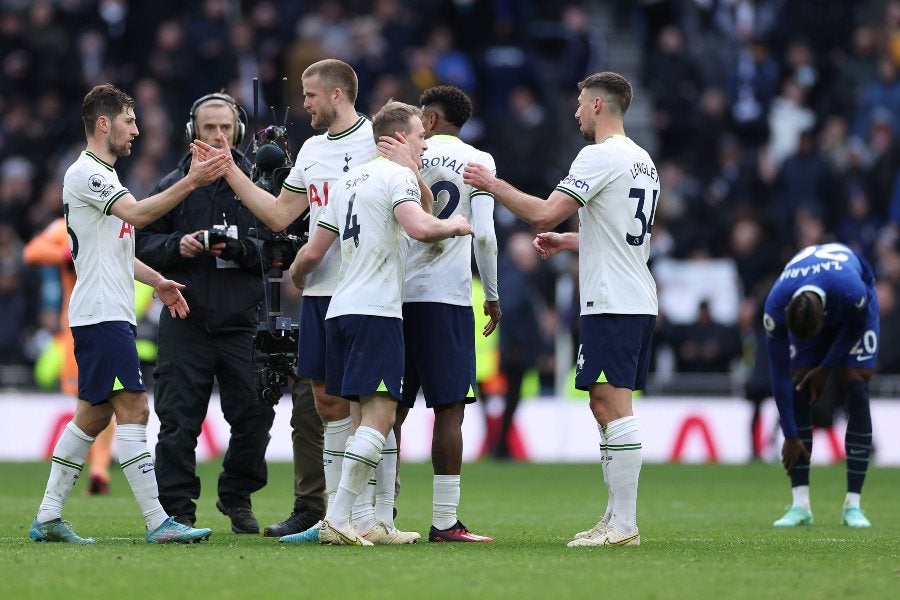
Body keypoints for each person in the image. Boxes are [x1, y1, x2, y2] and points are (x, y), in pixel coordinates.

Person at [464, 71, 659, 547]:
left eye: (578, 102)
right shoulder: (642, 160)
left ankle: (625, 525)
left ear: (597, 105)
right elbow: (627, 237)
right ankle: (616, 519)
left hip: (612, 299)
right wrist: (574, 240)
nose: (574, 112)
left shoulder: (597, 156)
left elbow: (543, 211)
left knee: (612, 406)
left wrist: (492, 184)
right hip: (632, 293)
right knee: (605, 403)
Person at [28, 83, 229, 544]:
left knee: (92, 418)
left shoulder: (104, 176)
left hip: (105, 312)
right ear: (104, 123)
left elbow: (119, 243)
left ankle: (47, 517)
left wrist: (156, 280)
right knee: (135, 407)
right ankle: (158, 521)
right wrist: (193, 180)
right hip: (101, 315)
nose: (136, 131)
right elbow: (138, 216)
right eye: (129, 121)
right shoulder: (87, 174)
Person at [205, 59, 393, 537]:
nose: (303, 103)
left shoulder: (381, 141)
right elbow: (277, 215)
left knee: (378, 404)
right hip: (322, 293)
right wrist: (229, 170)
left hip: (374, 290)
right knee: (328, 404)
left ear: (336, 95)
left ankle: (378, 516)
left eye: (310, 95)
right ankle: (335, 518)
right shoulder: (310, 150)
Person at [283, 101, 472, 546]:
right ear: (401, 138)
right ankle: (339, 517)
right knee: (382, 414)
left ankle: (367, 520)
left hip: (339, 310)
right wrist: (456, 225)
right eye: (420, 137)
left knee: (357, 415)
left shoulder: (349, 180)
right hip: (377, 311)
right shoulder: (396, 177)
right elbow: (420, 227)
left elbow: (312, 253)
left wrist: (294, 276)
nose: (426, 143)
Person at [134, 92, 275, 534]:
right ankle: (177, 512)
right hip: (184, 322)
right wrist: (178, 245)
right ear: (193, 131)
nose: (217, 136)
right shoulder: (172, 187)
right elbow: (136, 242)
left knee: (256, 418)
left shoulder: (261, 186)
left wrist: (239, 249)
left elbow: (283, 247)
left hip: (242, 324)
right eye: (209, 128)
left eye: (225, 128)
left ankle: (236, 497)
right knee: (176, 423)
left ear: (239, 132)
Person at [396, 85, 499, 542]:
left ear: (431, 120)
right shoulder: (479, 161)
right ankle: (444, 521)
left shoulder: (401, 156)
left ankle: (378, 515)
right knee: (449, 412)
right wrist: (492, 294)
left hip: (394, 299)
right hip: (448, 299)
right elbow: (486, 237)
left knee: (386, 411)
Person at [762, 242, 877, 528]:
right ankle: (800, 506)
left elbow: (855, 326)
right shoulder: (776, 306)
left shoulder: (852, 292)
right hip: (816, 293)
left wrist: (826, 368)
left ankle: (854, 505)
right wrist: (788, 434)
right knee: (800, 384)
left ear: (824, 317)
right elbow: (778, 374)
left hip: (855, 305)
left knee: (857, 387)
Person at [24, 217, 117, 495]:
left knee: (100, 400)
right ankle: (96, 468)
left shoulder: (113, 221)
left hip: (109, 323)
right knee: (94, 401)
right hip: (78, 329)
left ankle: (92, 470)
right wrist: (67, 253)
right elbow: (32, 252)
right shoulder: (67, 226)